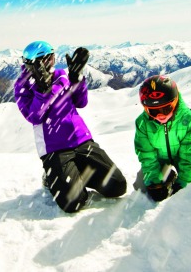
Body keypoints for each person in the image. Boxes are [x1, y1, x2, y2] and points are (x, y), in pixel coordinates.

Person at [14, 41, 127, 213]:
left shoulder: (60, 76)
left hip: (81, 140)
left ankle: (77, 171)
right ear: (40, 62)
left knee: (117, 186)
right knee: (72, 203)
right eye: (50, 59)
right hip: (54, 149)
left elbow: (81, 102)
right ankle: (52, 178)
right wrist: (42, 91)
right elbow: (34, 117)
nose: (53, 62)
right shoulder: (22, 87)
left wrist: (76, 79)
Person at [133, 75, 191, 202]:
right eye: (153, 111)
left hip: (182, 158)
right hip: (159, 160)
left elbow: (190, 153)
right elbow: (147, 154)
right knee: (141, 187)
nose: (160, 115)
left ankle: (184, 173)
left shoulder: (190, 121)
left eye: (166, 108)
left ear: (175, 102)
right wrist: (154, 181)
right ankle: (167, 174)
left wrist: (184, 183)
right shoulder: (142, 123)